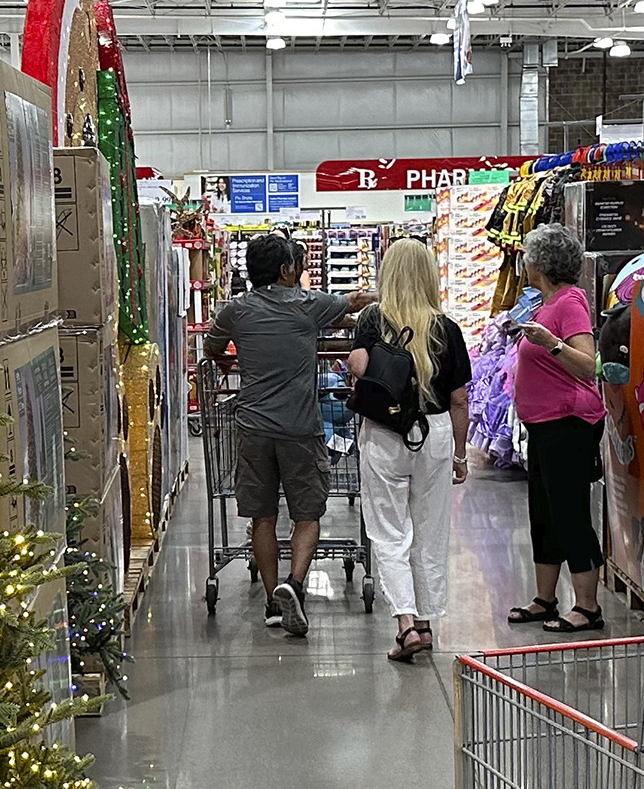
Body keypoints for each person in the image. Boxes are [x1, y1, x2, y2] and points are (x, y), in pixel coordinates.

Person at [202, 232, 366, 637]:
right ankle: (294, 583)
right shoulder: (308, 305)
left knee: (263, 514)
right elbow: (356, 302)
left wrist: (226, 364)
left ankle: (273, 602)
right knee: (307, 512)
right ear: (286, 269)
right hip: (298, 426)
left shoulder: (236, 310)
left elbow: (210, 347)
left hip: (253, 426)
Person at [344, 237, 472, 664]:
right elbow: (459, 400)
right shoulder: (447, 328)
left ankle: (405, 623)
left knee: (388, 530)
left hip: (385, 432)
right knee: (430, 531)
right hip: (434, 434)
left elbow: (359, 368)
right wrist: (460, 455)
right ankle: (428, 623)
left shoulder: (372, 319)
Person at [506, 221, 607, 635]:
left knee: (569, 514)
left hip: (569, 423)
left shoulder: (569, 303)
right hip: (544, 426)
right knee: (544, 514)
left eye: (528, 256)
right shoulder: (543, 302)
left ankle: (588, 606)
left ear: (540, 264)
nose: (523, 263)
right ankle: (545, 598)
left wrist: (551, 342)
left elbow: (588, 364)